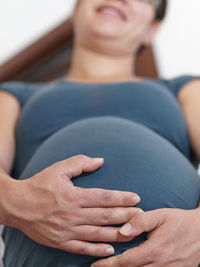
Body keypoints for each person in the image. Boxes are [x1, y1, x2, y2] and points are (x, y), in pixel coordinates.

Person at [0, 0, 200, 266]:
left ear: (153, 28)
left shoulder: (184, 89)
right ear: (76, 9)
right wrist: (17, 203)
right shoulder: (13, 96)